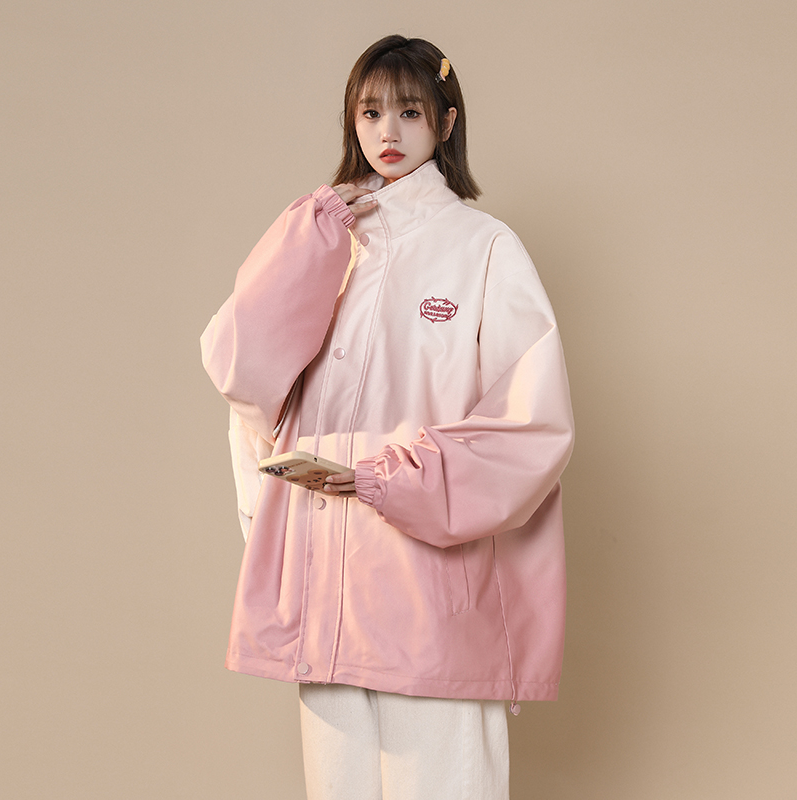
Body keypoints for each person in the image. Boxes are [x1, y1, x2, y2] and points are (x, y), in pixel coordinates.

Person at [201, 34, 574, 800]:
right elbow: (244, 377)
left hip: (429, 587)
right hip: (325, 582)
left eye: (409, 111)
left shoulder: (483, 247)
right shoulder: (328, 242)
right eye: (370, 113)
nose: (388, 132)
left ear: (446, 120)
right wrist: (303, 243)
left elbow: (532, 426)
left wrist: (395, 480)